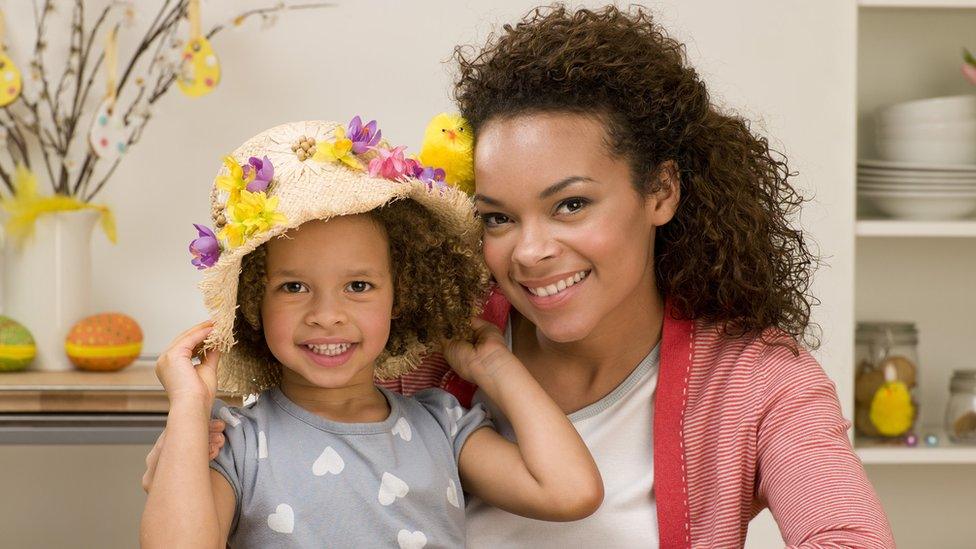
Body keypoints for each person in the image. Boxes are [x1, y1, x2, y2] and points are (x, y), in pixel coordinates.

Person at [146, 6, 896, 547]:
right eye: (498, 217)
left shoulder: (759, 383)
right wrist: (191, 443)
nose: (530, 252)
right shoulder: (425, 349)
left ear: (660, 191)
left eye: (570, 204)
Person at [140, 118, 603, 548]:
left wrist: (496, 366)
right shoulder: (236, 441)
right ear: (255, 304)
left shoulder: (440, 425)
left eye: (358, 286)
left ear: (399, 295)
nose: (327, 315)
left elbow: (571, 492)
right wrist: (187, 410)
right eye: (293, 287)